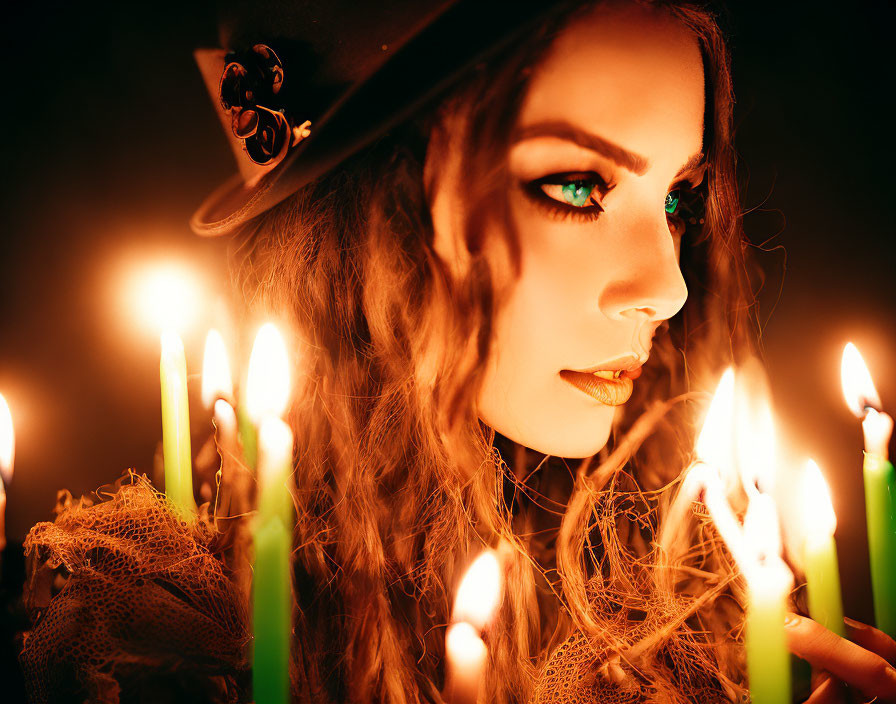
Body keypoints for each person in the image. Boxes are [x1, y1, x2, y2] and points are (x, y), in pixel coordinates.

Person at [191, 0, 896, 702]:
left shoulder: (695, 617)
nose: (669, 288)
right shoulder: (161, 647)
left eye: (678, 200)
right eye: (577, 186)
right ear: (375, 211)